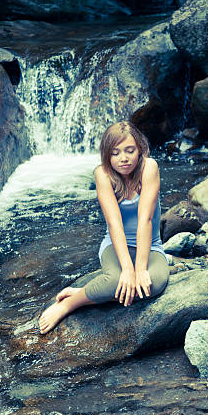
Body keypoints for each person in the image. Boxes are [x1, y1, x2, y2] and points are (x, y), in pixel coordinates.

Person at [39, 121, 170, 334]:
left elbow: (145, 220)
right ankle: (69, 304)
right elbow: (114, 223)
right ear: (107, 155)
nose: (124, 158)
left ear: (140, 150)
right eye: (115, 153)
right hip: (115, 245)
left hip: (150, 245)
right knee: (119, 281)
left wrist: (140, 269)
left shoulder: (149, 168)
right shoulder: (103, 174)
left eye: (130, 150)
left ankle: (84, 292)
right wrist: (127, 270)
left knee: (152, 284)